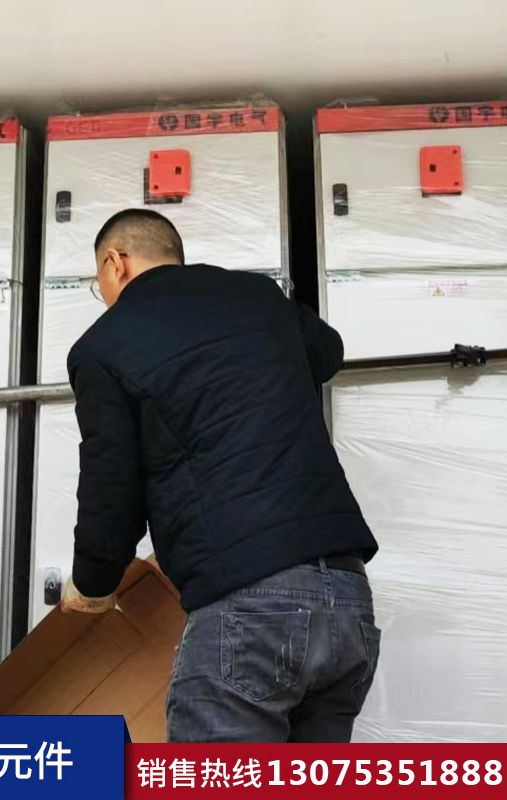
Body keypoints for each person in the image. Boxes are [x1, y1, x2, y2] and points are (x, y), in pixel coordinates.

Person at [60, 208, 380, 743]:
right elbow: (328, 353)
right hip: (347, 601)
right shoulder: (255, 295)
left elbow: (110, 485)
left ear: (116, 263)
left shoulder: (102, 346)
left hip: (250, 607)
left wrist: (93, 584)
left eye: (100, 283)